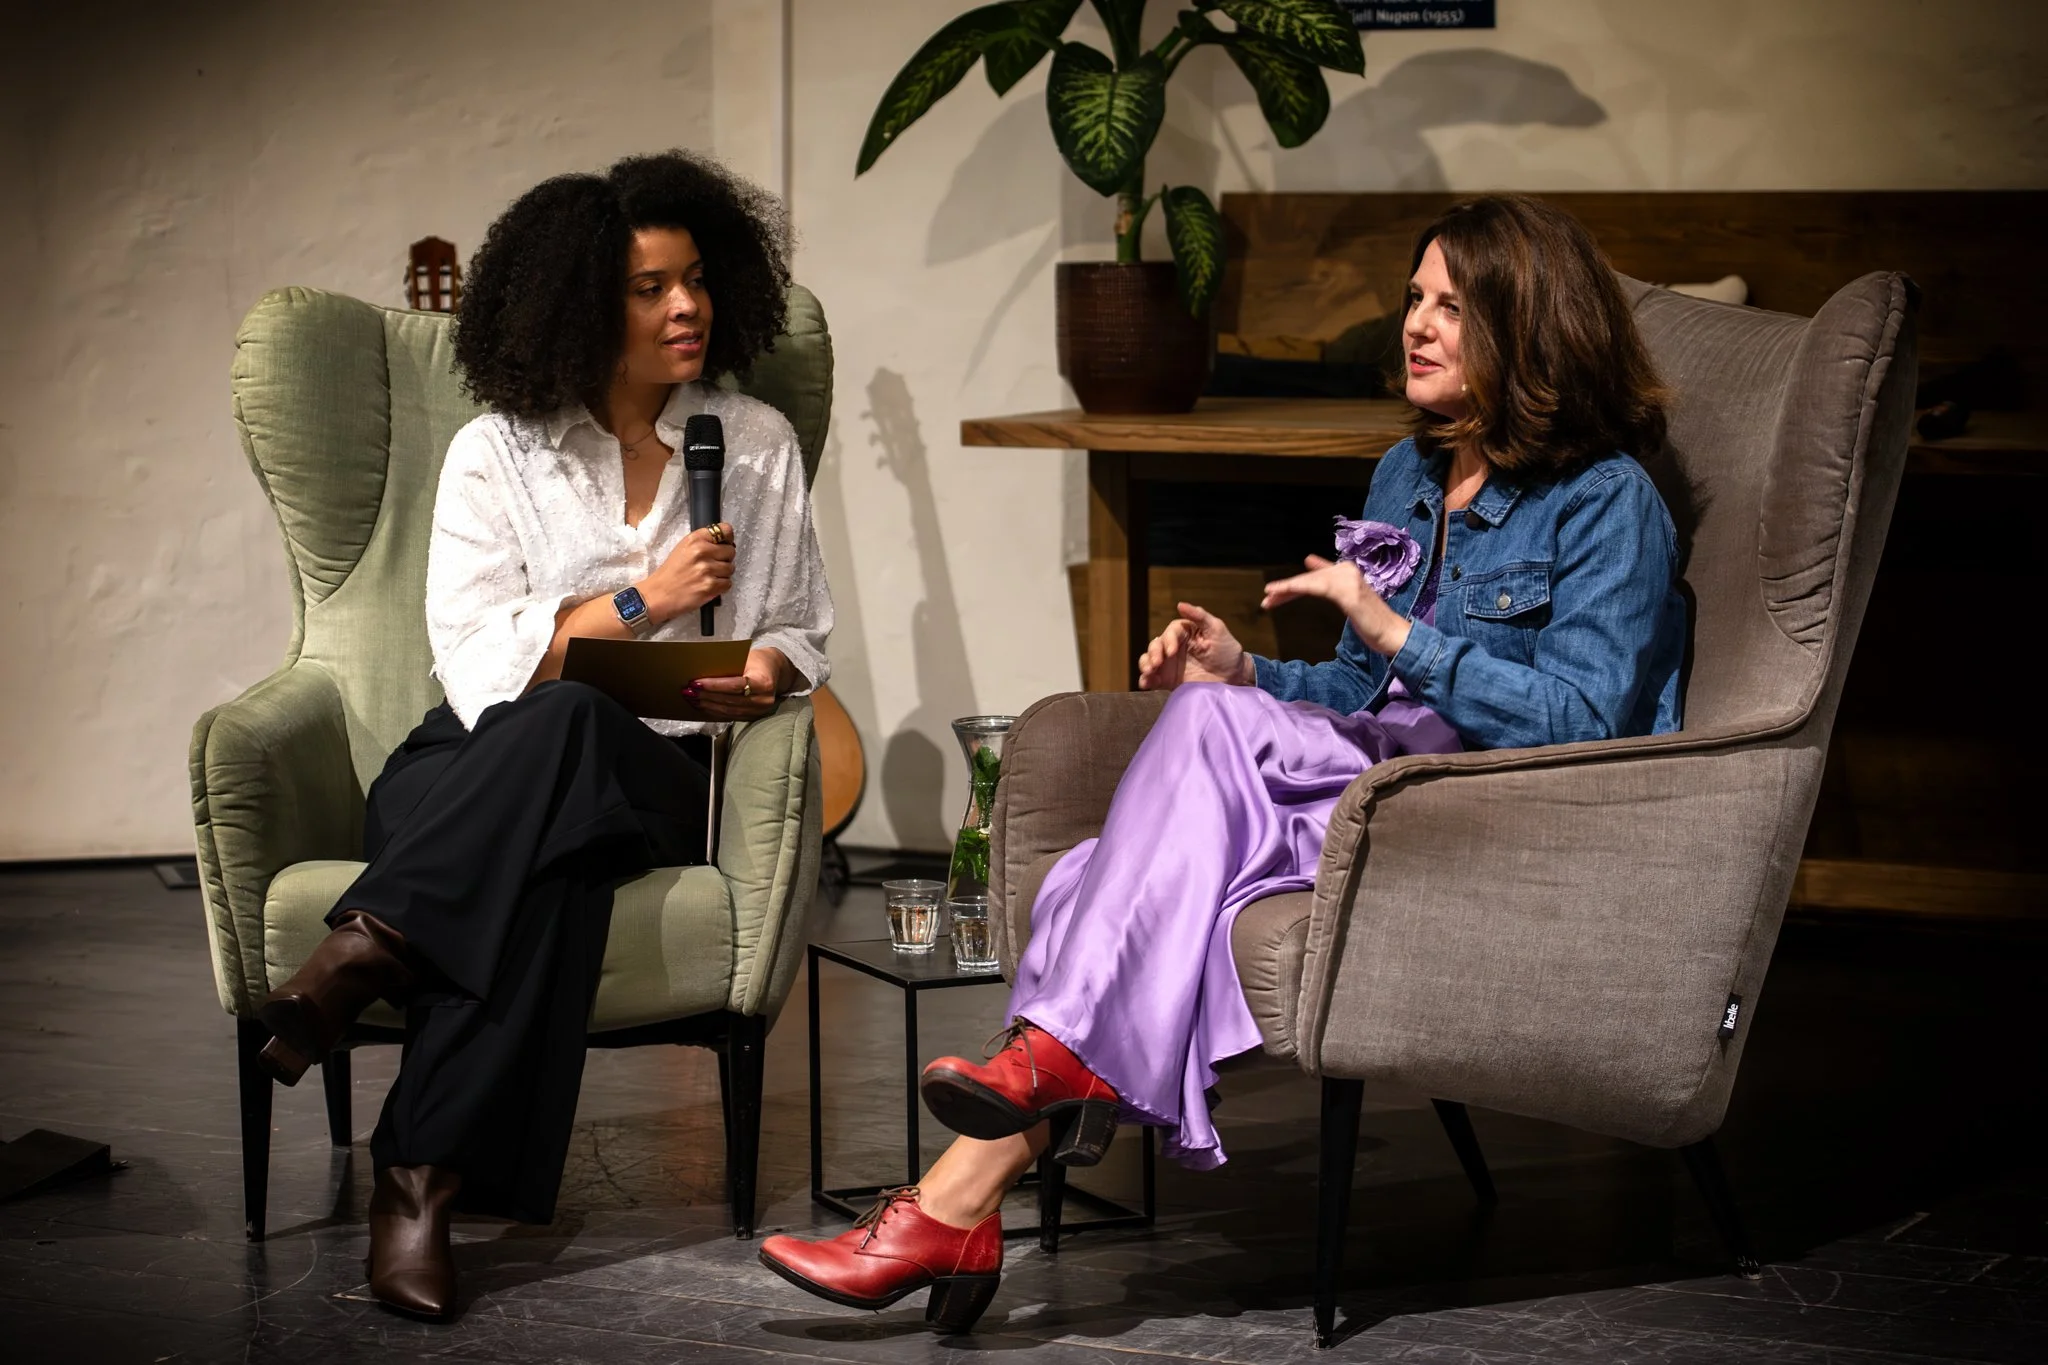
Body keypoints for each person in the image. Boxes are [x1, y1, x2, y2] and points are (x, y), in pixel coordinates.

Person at [757, 194, 1687, 1333]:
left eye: (1452, 306)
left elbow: (1582, 724)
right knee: (1093, 864)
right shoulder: (1407, 473)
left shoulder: (1607, 502)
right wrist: (1247, 669)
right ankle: (956, 1204)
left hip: (1479, 814)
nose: (1415, 324)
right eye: (1414, 298)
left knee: (1187, 754)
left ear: (1530, 328)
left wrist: (1397, 633)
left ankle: (995, 1136)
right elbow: (1356, 691)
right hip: (1362, 781)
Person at [252, 150, 830, 1320]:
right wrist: (645, 601)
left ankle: (369, 945)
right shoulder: (495, 452)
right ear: (579, 307)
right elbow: (476, 663)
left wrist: (764, 668)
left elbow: (800, 626)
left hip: (659, 769)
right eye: (649, 289)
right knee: (548, 860)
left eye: (695, 280)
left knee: (569, 722)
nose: (685, 307)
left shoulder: (754, 440)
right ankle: (418, 1180)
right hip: (473, 765)